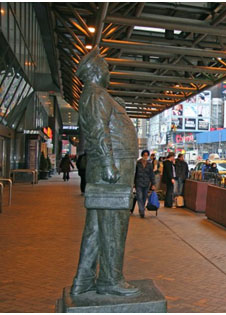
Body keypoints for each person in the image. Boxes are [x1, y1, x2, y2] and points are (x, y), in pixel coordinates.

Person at [70, 48, 139, 296]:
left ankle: (84, 280)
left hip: (111, 167)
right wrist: (109, 165)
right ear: (97, 70)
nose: (109, 72)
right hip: (113, 169)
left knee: (97, 228)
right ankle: (110, 280)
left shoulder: (98, 95)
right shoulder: (96, 94)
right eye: (106, 68)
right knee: (113, 225)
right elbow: (99, 131)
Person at [134, 150, 156, 218]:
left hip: (146, 183)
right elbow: (134, 173)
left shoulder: (149, 164)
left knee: (144, 197)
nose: (146, 156)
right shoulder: (138, 163)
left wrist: (153, 184)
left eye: (147, 155)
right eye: (144, 155)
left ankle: (142, 208)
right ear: (142, 155)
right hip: (138, 182)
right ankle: (141, 210)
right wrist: (133, 183)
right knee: (139, 196)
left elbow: (152, 174)